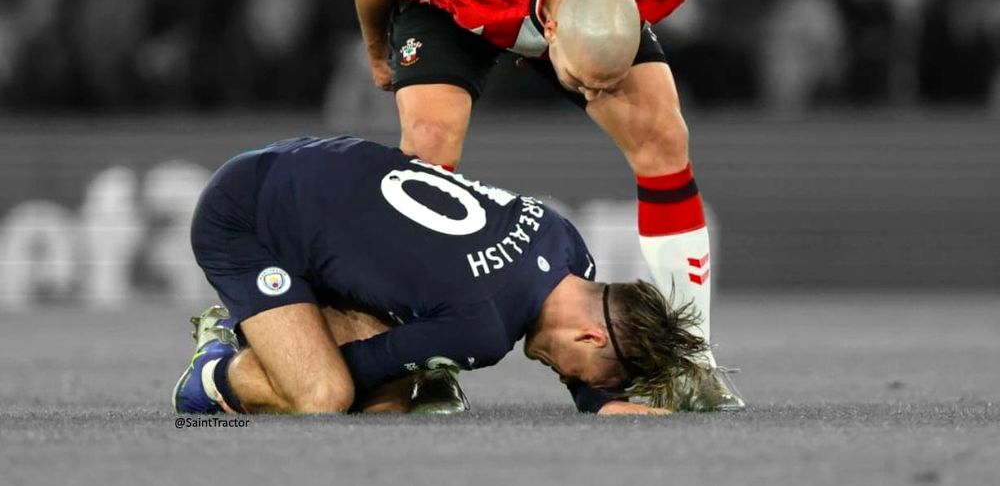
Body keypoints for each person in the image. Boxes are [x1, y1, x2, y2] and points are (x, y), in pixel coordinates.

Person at [354, 0, 741, 407]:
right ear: (549, 33)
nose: (591, 95)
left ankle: (693, 362)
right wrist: (379, 54)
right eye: (582, 82)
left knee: (664, 139)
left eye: (605, 83)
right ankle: (427, 365)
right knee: (428, 152)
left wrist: (594, 71)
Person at [172, 136, 719, 416]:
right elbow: (361, 365)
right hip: (247, 215)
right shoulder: (482, 329)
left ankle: (272, 333)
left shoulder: (566, 243)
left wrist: (598, 401)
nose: (566, 377)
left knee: (388, 406)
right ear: (592, 336)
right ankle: (215, 366)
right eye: (587, 377)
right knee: (326, 394)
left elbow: (578, 340)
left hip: (309, 163)